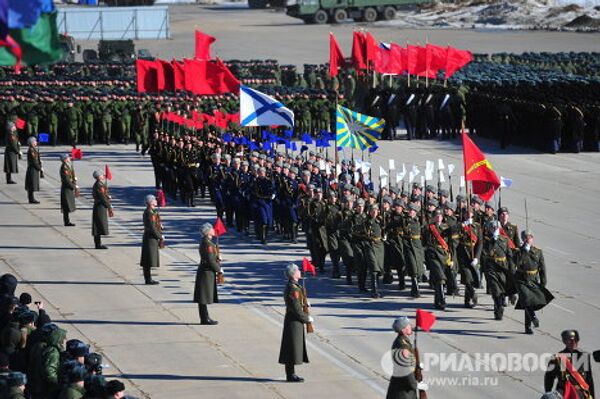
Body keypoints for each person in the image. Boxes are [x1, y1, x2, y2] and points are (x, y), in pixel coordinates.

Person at [278, 263, 312, 383]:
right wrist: (306, 318)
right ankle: (290, 375)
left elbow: (297, 303)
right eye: (298, 270)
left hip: (295, 320)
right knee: (291, 348)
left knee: (293, 347)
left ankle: (291, 374)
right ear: (293, 273)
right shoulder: (293, 288)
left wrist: (304, 304)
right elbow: (295, 308)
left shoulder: (295, 286)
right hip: (293, 321)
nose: (300, 271)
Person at [515, 230, 553, 334]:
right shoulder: (518, 251)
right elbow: (516, 263)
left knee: (530, 303)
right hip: (521, 279)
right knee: (527, 299)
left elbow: (542, 268)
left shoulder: (538, 251)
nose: (528, 239)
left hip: (533, 280)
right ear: (523, 239)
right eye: (526, 237)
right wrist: (523, 251)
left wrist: (543, 283)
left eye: (530, 237)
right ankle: (533, 317)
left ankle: (528, 327)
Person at [544, 330, 595, 398]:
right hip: (564, 391)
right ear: (565, 341)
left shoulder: (584, 357)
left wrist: (593, 396)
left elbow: (589, 379)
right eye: (570, 340)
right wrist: (548, 393)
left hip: (580, 392)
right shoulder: (557, 358)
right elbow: (549, 378)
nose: (573, 342)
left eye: (575, 340)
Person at [386, 316, 427, 399]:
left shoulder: (403, 341)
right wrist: (416, 385)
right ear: (403, 330)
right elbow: (406, 369)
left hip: (402, 387)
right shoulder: (402, 345)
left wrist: (417, 365)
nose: (411, 326)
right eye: (408, 325)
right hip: (403, 391)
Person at [193, 223, 222, 325]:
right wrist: (219, 269)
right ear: (207, 232)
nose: (214, 230)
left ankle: (205, 317)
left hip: (206, 271)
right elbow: (210, 260)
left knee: (203, 296)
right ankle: (204, 319)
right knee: (203, 297)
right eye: (211, 229)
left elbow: (211, 257)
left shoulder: (208, 242)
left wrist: (217, 257)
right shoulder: (207, 244)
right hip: (206, 272)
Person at [140, 195, 163, 285]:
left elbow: (154, 224)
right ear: (150, 202)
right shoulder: (149, 213)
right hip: (150, 237)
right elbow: (152, 227)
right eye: (154, 200)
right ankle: (148, 279)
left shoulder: (152, 212)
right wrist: (160, 236)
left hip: (151, 237)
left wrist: (159, 225)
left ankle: (149, 278)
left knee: (149, 259)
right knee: (147, 259)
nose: (156, 201)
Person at [91, 170, 113, 250]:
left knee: (99, 225)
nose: (103, 176)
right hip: (100, 206)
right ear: (98, 177)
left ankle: (98, 243)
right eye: (101, 175)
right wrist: (108, 206)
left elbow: (103, 195)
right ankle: (98, 244)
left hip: (100, 206)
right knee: (98, 225)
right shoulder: (99, 185)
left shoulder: (100, 184)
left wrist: (107, 196)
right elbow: (102, 197)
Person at [59, 154, 78, 227]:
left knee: (67, 205)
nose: (69, 158)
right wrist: (73, 186)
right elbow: (66, 180)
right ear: (64, 159)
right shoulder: (64, 168)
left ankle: (67, 221)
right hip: (66, 188)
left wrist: (74, 179)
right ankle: (66, 222)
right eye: (67, 158)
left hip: (68, 187)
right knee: (66, 205)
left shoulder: (67, 166)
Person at [24, 136, 43, 204]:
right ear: (31, 143)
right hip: (32, 169)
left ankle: (31, 198)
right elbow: (34, 161)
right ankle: (31, 199)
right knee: (31, 185)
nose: (36, 142)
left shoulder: (34, 149)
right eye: (34, 141)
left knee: (32, 184)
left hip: (34, 169)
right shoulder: (31, 150)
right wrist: (40, 168)